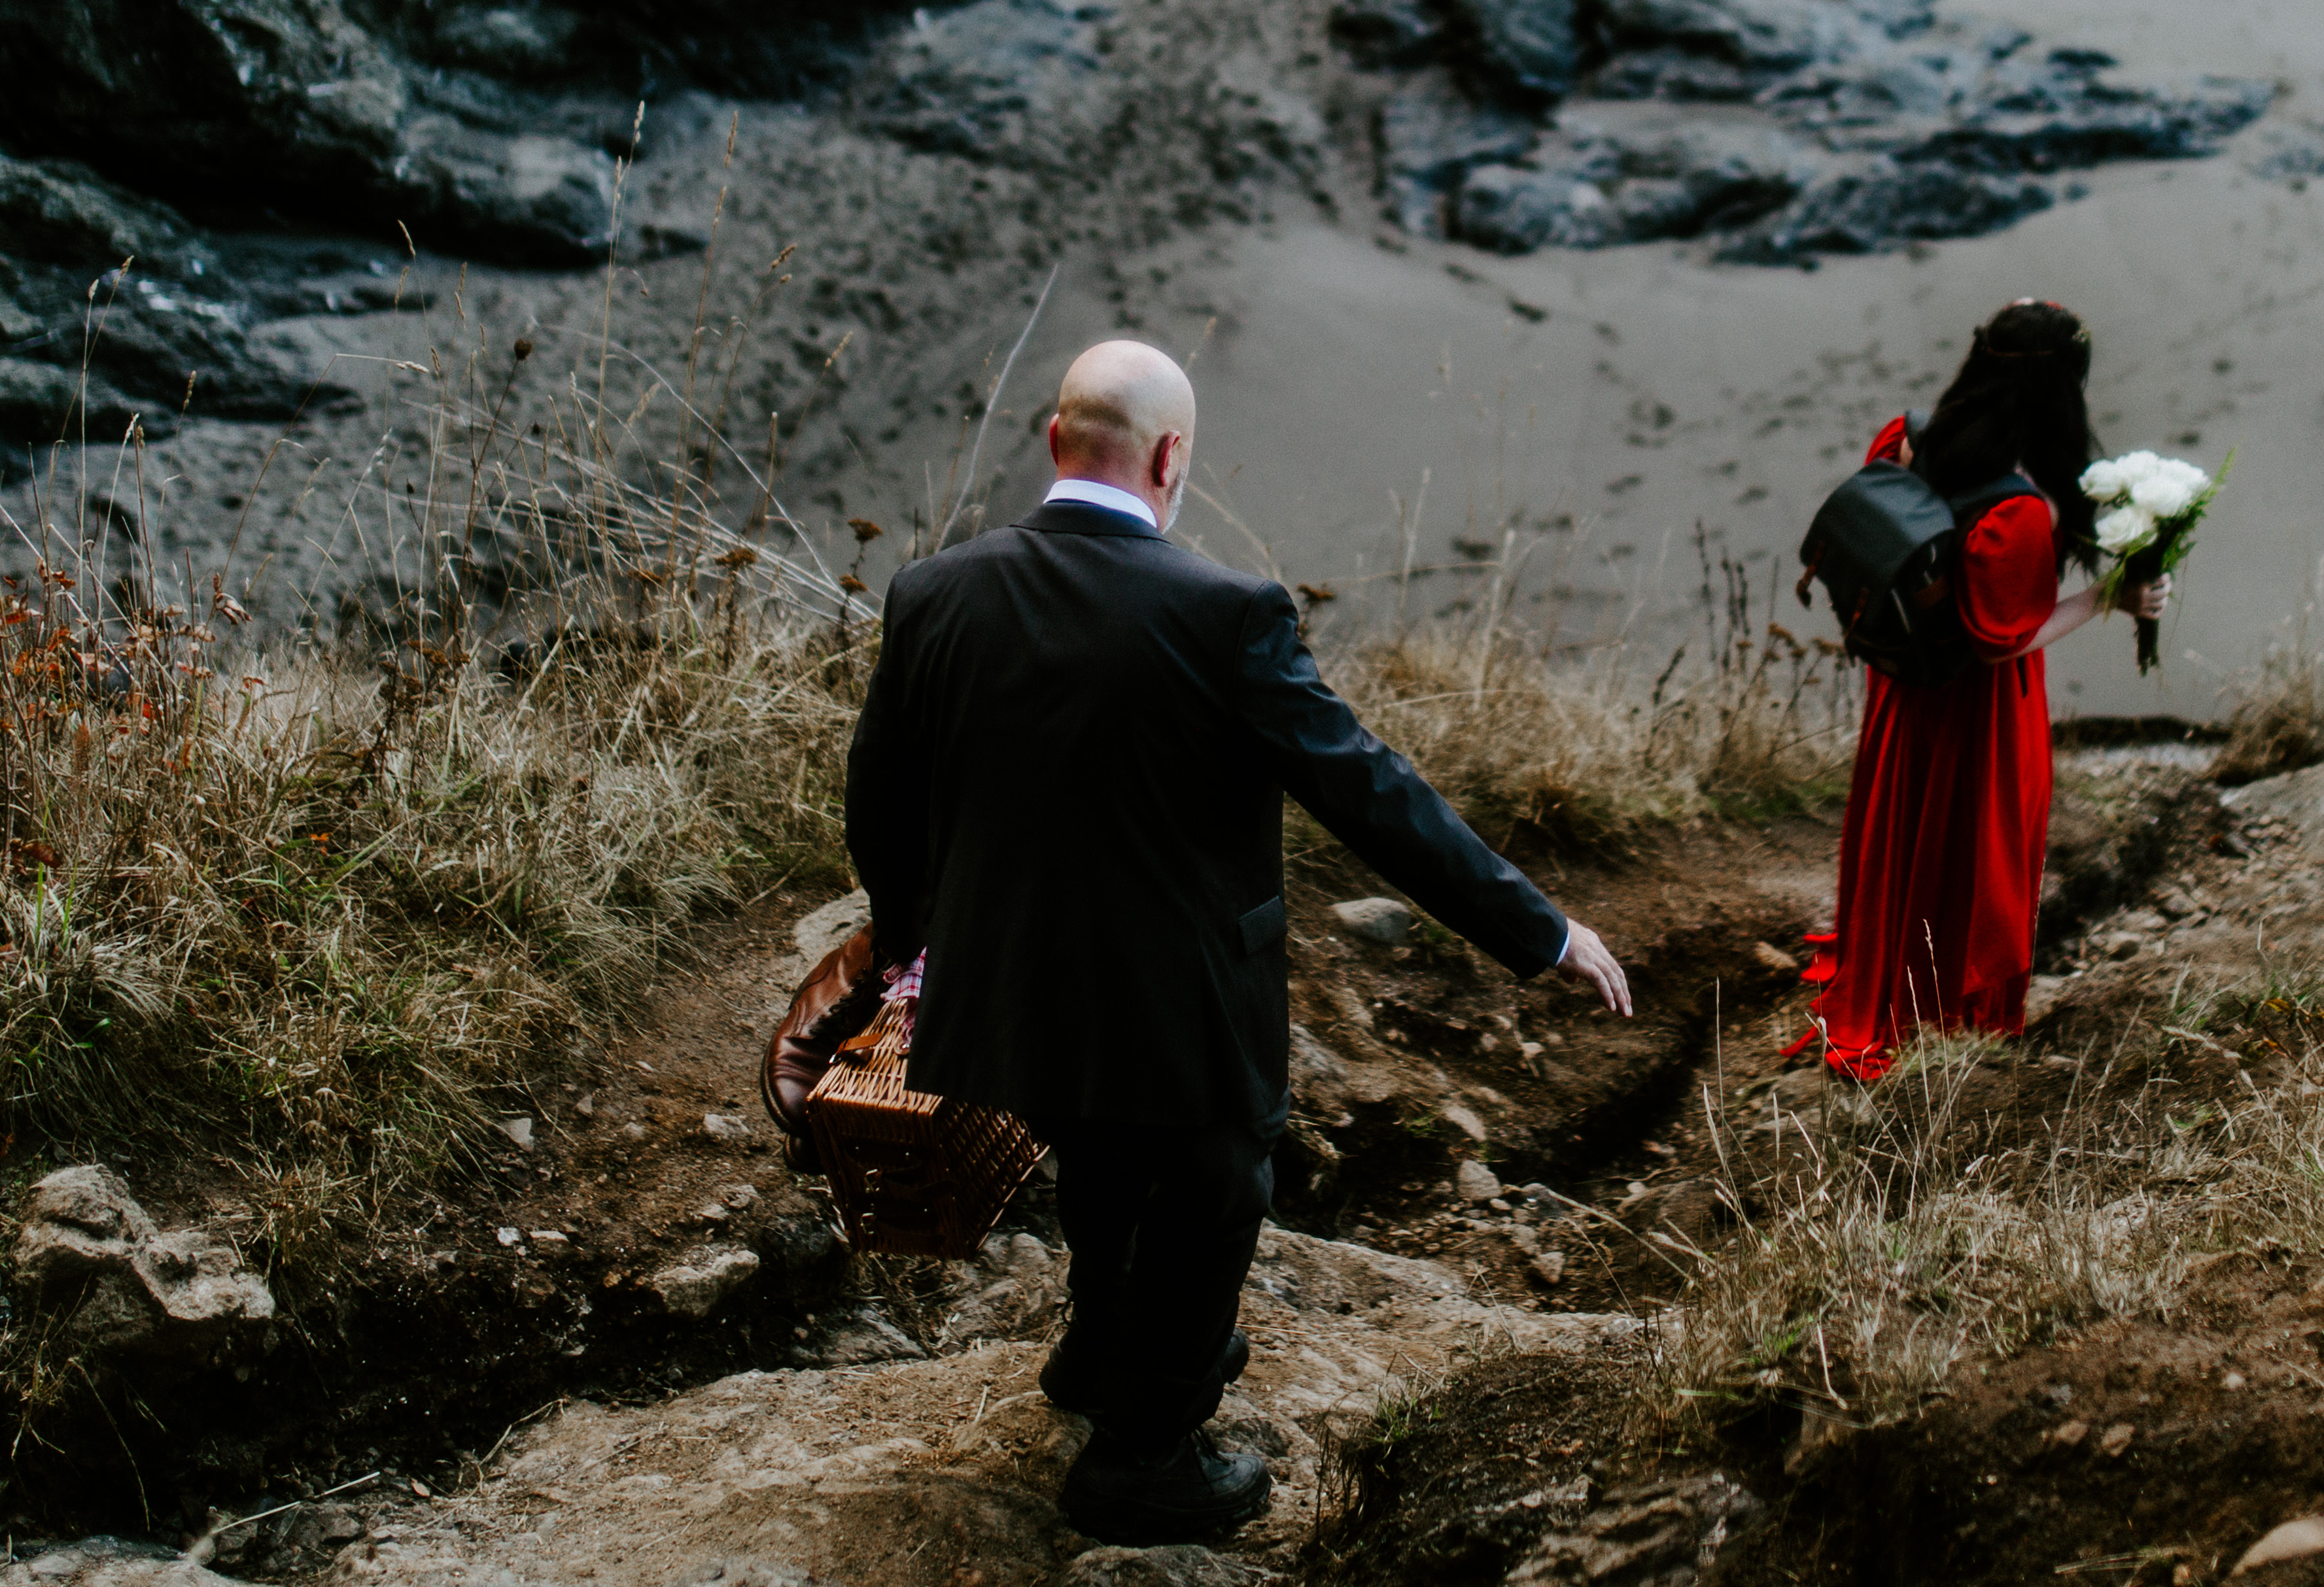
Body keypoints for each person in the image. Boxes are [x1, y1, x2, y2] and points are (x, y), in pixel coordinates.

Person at [846, 338, 1634, 1546]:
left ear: (1055, 443)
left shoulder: (931, 591)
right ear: (1173, 459)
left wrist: (914, 952)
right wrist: (1541, 929)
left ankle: (1104, 1344)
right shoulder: (1224, 613)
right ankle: (1143, 1451)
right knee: (1221, 1178)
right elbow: (1371, 794)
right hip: (1182, 1002)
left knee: (1095, 1136)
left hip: (1003, 993)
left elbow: (879, 803)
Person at [1806, 300, 2164, 1082]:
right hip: (1983, 715)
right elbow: (2004, 639)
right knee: (1976, 854)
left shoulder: (1906, 437)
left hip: (1904, 696)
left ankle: (1886, 972)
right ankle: (1951, 1013)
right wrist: (2114, 600)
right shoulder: (2020, 507)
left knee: (1905, 837)